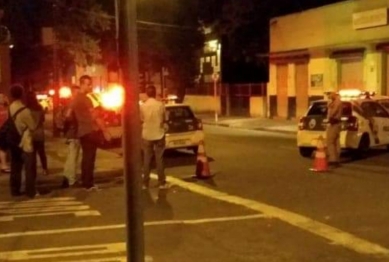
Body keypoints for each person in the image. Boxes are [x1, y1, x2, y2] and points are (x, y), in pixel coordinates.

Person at [71, 75, 111, 191]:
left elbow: (69, 114)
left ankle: (86, 181)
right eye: (88, 84)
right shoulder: (86, 99)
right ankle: (88, 183)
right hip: (90, 130)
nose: (90, 86)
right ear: (82, 84)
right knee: (90, 157)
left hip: (82, 131)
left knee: (86, 157)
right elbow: (95, 116)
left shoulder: (76, 99)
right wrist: (105, 131)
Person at [8, 84, 37, 198]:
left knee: (15, 167)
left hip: (12, 140)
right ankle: (30, 191)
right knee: (29, 167)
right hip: (25, 142)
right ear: (21, 94)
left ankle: (14, 190)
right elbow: (33, 126)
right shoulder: (24, 110)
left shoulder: (9, 107)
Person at [140, 85, 168, 189]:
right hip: (159, 133)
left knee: (147, 159)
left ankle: (145, 183)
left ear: (147, 93)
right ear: (155, 93)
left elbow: (141, 119)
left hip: (147, 134)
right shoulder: (160, 105)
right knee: (159, 158)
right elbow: (164, 118)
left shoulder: (142, 106)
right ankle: (162, 182)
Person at [62, 85, 81, 188]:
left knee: (70, 157)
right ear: (73, 93)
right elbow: (69, 117)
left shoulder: (68, 104)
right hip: (74, 134)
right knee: (73, 158)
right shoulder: (73, 104)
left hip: (70, 134)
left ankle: (66, 177)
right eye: (77, 93)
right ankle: (72, 180)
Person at [25, 91, 48, 176]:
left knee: (32, 154)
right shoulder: (39, 108)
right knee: (42, 152)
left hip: (30, 134)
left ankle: (33, 171)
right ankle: (45, 168)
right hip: (40, 133)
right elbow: (43, 120)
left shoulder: (26, 109)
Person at [326, 92, 342, 167]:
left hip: (334, 123)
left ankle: (333, 160)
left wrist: (329, 106)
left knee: (330, 141)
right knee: (336, 142)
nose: (328, 96)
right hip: (336, 123)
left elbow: (333, 112)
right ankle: (337, 159)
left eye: (329, 94)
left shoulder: (337, 102)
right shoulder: (335, 101)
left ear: (334, 94)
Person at [0, 94, 10, 173]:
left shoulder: (6, 108)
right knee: (2, 149)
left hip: (3, 130)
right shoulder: (6, 109)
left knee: (2, 149)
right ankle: (4, 165)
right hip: (2, 131)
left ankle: (3, 165)